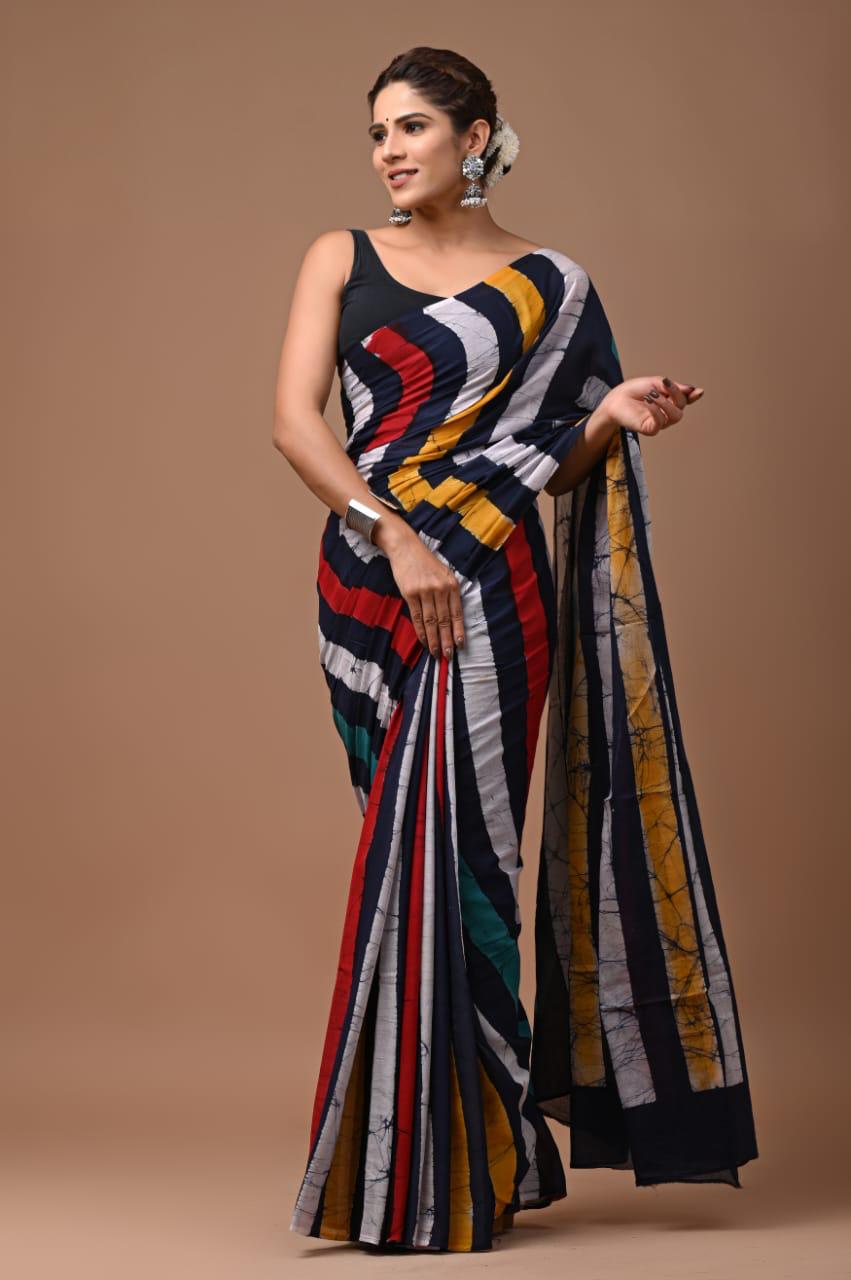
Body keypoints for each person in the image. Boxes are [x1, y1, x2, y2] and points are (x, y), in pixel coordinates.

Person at [273, 46, 758, 1254]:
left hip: (493, 584)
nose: (389, 150)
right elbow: (293, 425)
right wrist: (394, 536)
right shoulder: (340, 256)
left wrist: (609, 414)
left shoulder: (553, 286)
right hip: (372, 582)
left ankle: (457, 1166)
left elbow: (548, 461)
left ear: (475, 136)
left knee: (466, 860)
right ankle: (419, 1157)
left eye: (412, 127)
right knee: (402, 847)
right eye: (377, 131)